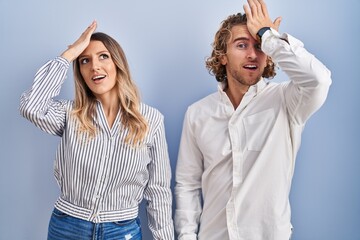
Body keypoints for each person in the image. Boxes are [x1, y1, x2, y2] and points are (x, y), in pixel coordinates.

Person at [174, 0, 332, 239]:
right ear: (223, 56)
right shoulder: (197, 113)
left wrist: (269, 36)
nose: (252, 54)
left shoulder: (287, 102)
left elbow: (319, 80)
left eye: (259, 47)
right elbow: (187, 184)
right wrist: (186, 236)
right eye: (241, 45)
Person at [20, 21, 174, 240]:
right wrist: (69, 53)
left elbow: (158, 190)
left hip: (122, 231)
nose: (95, 67)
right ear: (80, 71)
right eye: (85, 61)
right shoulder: (70, 113)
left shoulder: (151, 120)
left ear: (117, 63)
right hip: (67, 228)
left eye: (103, 56)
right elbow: (31, 106)